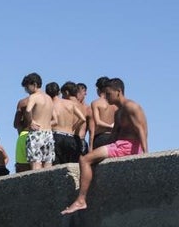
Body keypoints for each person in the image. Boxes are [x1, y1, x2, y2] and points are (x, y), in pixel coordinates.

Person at [63, 77, 148, 214]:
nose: (106, 97)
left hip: (127, 146)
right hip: (119, 145)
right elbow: (114, 135)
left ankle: (81, 200)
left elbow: (141, 130)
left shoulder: (130, 106)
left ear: (118, 92)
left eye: (109, 94)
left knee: (84, 160)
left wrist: (145, 155)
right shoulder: (119, 111)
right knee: (91, 159)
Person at [22, 73, 56, 170]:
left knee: (36, 163)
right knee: (48, 164)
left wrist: (31, 122)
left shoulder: (34, 97)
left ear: (35, 84)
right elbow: (55, 119)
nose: (26, 90)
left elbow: (28, 110)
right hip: (48, 134)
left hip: (36, 133)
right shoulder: (49, 98)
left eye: (27, 87)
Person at [51, 82, 87, 164]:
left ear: (66, 92)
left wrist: (72, 128)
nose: (62, 97)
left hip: (67, 136)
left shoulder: (63, 104)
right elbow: (84, 120)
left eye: (63, 95)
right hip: (81, 140)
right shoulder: (85, 107)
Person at [90, 76, 118, 149]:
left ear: (98, 89)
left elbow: (97, 122)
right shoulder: (115, 104)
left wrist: (90, 146)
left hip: (100, 137)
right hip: (114, 136)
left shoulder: (96, 103)